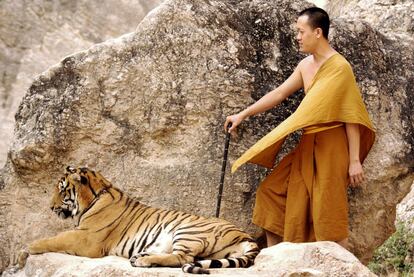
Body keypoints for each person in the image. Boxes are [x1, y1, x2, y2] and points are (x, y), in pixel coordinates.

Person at [224, 7, 375, 249]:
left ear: (317, 32)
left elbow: (351, 117)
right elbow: (280, 93)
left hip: (332, 147)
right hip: (307, 144)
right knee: (270, 192)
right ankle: (277, 261)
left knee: (327, 211)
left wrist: (354, 160)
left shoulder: (340, 67)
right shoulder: (305, 65)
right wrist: (243, 114)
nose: (297, 37)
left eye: (300, 31)